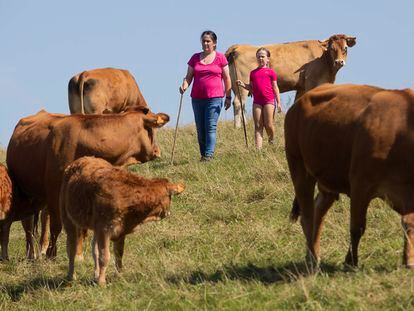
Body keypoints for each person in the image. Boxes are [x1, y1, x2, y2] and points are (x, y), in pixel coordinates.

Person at [179, 30, 232, 161]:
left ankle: (208, 155)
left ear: (214, 43)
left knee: (210, 126)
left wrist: (228, 96)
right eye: (203, 41)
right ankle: (203, 154)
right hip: (197, 98)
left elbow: (227, 78)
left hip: (215, 98)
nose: (205, 43)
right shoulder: (195, 58)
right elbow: (188, 77)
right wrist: (184, 85)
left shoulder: (220, 58)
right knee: (200, 128)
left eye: (208, 41)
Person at [236, 47, 282, 149]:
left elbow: (275, 87)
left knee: (268, 124)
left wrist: (278, 103)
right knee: (258, 126)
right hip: (257, 101)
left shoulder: (271, 72)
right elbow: (251, 88)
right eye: (258, 57)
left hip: (269, 101)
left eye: (262, 56)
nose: (260, 58)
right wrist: (242, 84)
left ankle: (271, 139)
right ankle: (258, 150)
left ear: (267, 59)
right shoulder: (253, 73)